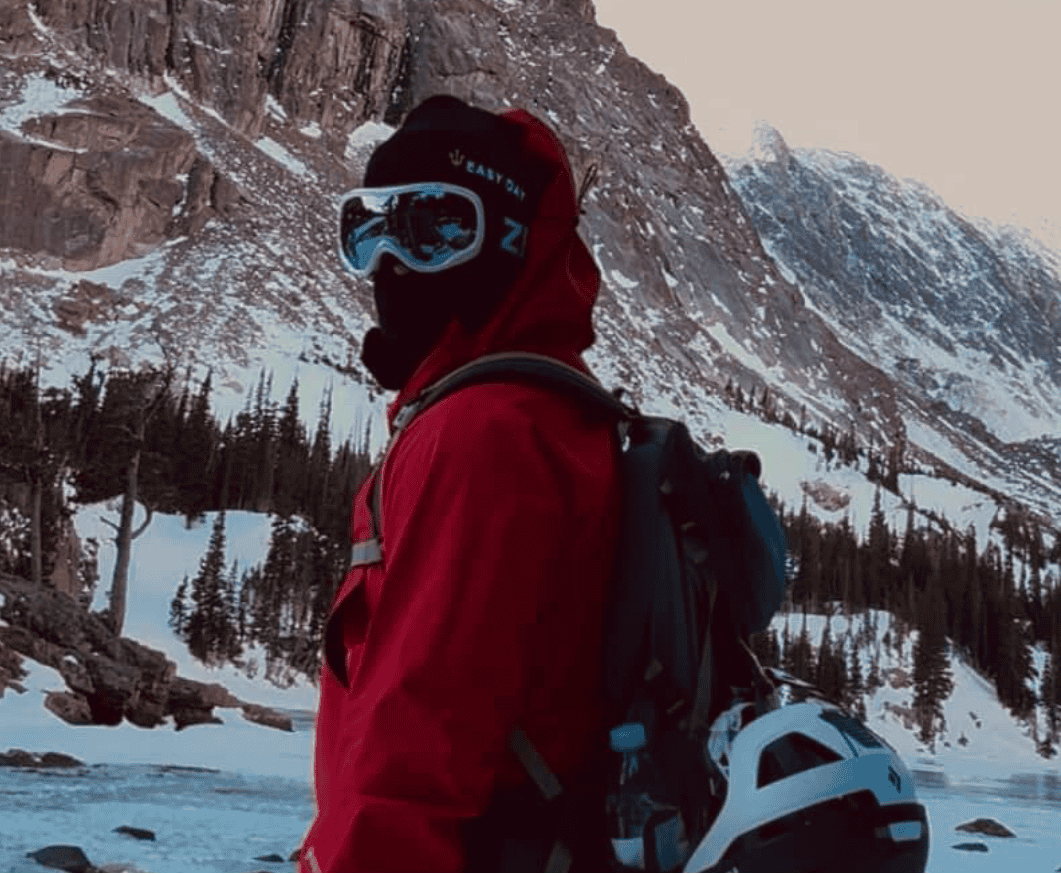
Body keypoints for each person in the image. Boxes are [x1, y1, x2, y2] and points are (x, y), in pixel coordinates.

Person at [298, 95, 622, 873]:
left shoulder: (482, 433)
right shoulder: (556, 415)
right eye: (366, 230)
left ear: (509, 242)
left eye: (436, 228)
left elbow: (419, 727)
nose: (391, 262)